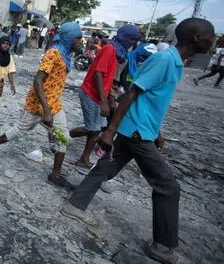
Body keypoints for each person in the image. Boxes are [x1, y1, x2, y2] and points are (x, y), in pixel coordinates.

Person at [61, 18, 215, 264]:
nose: (214, 40)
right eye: (211, 35)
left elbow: (152, 101)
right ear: (196, 38)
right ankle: (162, 247)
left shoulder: (174, 62)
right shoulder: (164, 60)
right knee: (168, 187)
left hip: (142, 129)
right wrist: (110, 130)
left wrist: (158, 132)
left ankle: (74, 205)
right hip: (136, 133)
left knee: (105, 169)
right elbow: (131, 93)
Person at [0, 22, 83, 190]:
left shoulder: (65, 54)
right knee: (21, 129)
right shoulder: (53, 53)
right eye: (77, 38)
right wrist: (46, 111)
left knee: (62, 136)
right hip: (39, 102)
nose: (81, 41)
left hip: (54, 103)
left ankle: (55, 175)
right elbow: (38, 81)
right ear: (68, 38)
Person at [73, 24, 140, 168]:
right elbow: (98, 73)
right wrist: (104, 101)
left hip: (100, 95)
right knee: (91, 129)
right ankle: (60, 135)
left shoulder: (118, 53)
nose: (133, 43)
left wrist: (109, 98)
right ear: (126, 38)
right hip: (91, 93)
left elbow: (108, 79)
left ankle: (84, 158)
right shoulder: (110, 49)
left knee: (96, 130)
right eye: (132, 39)